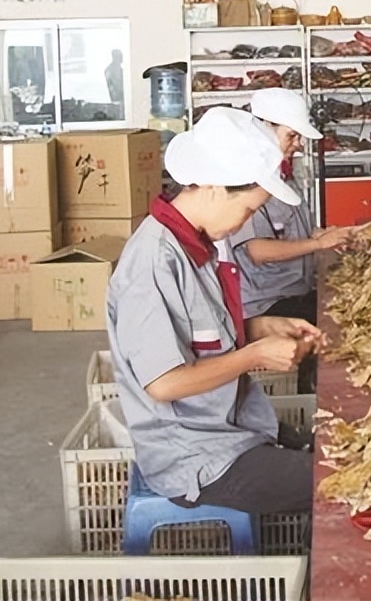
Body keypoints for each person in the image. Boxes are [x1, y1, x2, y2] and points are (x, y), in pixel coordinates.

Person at [106, 107, 322, 514]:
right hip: (193, 454)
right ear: (212, 188)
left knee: (338, 455)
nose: (245, 224)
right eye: (247, 211)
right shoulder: (153, 261)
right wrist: (254, 356)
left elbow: (197, 332)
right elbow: (164, 384)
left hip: (230, 426)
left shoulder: (196, 245)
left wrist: (258, 327)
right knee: (335, 485)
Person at [231, 88, 352, 327]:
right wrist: (317, 244)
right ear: (265, 129)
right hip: (266, 303)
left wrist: (324, 235)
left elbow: (292, 230)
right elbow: (256, 251)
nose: (298, 144)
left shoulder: (284, 174)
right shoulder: (247, 181)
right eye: (291, 136)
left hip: (294, 290)